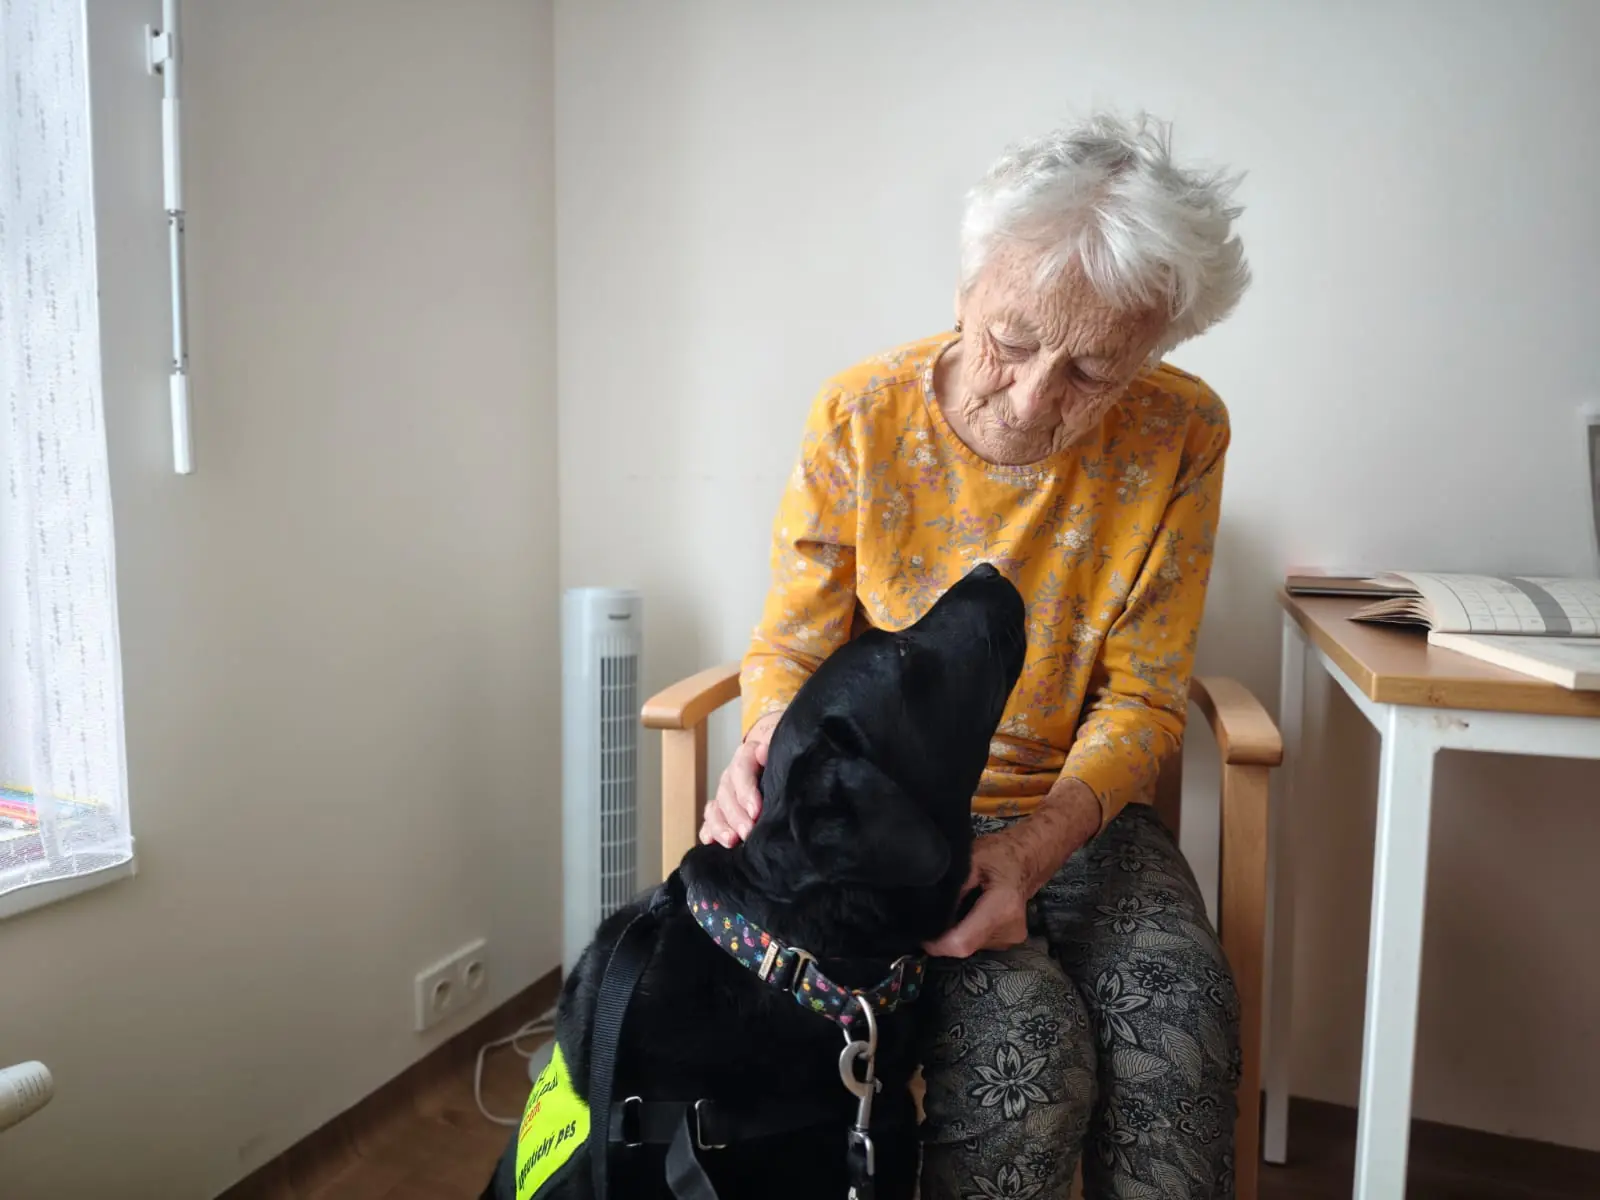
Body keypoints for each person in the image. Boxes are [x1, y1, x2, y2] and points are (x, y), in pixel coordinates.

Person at [699, 111, 1250, 1200]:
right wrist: (767, 744)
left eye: (1093, 368)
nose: (1036, 398)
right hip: (902, 825)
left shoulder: (1182, 431)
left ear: (1154, 353)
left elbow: (1142, 694)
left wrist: (1033, 852)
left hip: (1083, 811)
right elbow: (795, 642)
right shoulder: (861, 415)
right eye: (1012, 339)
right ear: (964, 290)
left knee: (1178, 1028)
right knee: (1026, 1065)